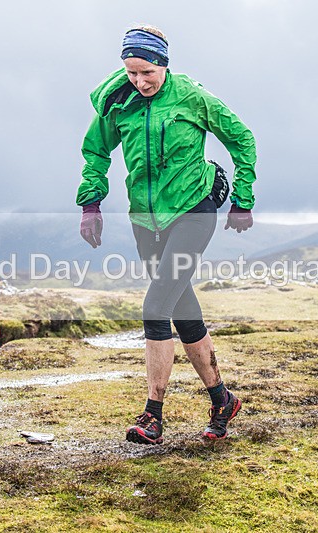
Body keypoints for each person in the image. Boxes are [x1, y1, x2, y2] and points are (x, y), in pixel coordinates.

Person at [76, 25, 257, 444]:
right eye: (131, 73)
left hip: (194, 211)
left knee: (156, 306)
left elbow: (242, 139)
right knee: (181, 310)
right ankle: (222, 399)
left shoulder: (191, 97)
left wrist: (242, 199)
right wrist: (91, 203)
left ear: (163, 64)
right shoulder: (118, 100)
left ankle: (152, 415)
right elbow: (95, 151)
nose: (139, 82)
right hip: (146, 221)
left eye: (147, 72)